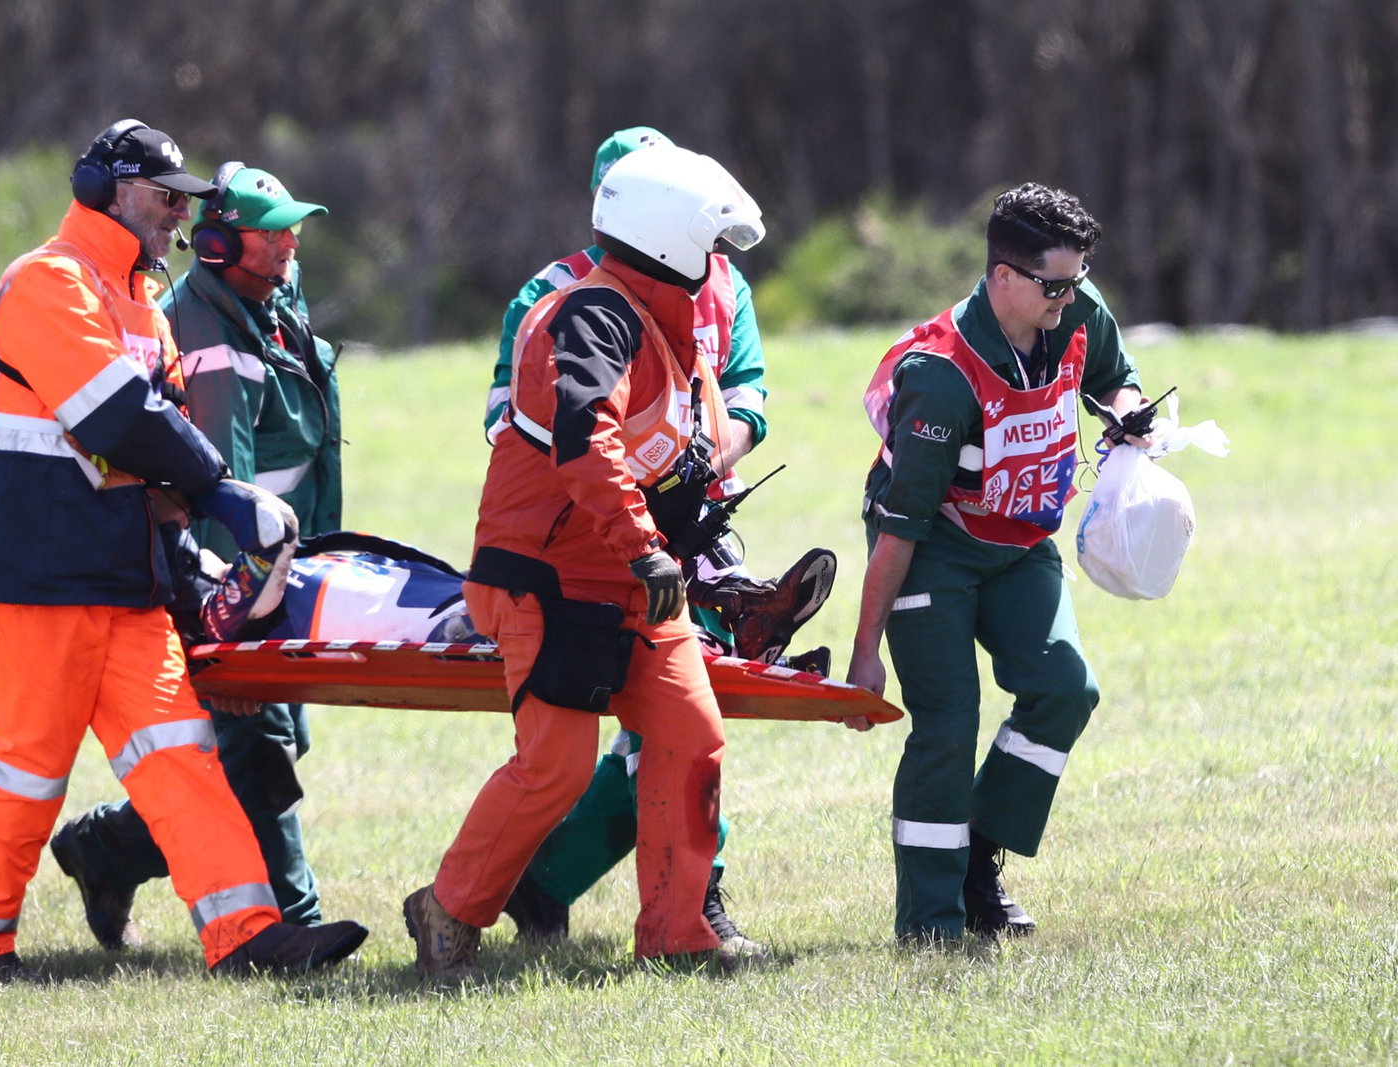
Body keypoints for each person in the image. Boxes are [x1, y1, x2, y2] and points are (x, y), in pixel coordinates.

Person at [0, 119, 366, 983]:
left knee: (183, 755)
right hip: (36, 575)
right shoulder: (45, 283)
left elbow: (155, 452)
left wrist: (189, 554)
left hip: (124, 579)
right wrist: (223, 492)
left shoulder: (142, 306)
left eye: (183, 200)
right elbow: (115, 418)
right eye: (164, 196)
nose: (178, 213)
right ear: (104, 190)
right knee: (29, 770)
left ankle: (245, 934)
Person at [403, 144, 769, 981]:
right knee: (557, 765)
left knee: (691, 733)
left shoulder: (671, 332)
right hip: (545, 577)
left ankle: (680, 934)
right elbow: (586, 439)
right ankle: (447, 911)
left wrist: (692, 543)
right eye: (711, 247)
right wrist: (645, 544)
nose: (718, 267)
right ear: (670, 239)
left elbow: (674, 461)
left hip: (636, 578)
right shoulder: (593, 315)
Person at [486, 128, 829, 952]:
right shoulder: (561, 294)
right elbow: (516, 423)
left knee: (685, 723)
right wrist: (629, 506)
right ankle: (663, 902)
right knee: (638, 736)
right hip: (587, 546)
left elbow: (746, 398)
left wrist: (693, 474)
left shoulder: (721, 279)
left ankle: (596, 892)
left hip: (684, 524)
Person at [47, 163, 352, 947]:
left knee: (259, 748)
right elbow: (223, 489)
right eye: (269, 228)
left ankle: (106, 847)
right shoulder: (207, 334)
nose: (288, 241)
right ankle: (294, 920)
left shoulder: (276, 301)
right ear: (215, 243)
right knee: (258, 744)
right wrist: (235, 631)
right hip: (231, 577)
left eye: (293, 225)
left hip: (288, 566)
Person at [843, 182, 1154, 946]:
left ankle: (980, 857)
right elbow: (899, 526)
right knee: (947, 723)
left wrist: (1129, 413)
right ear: (1004, 277)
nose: (1070, 296)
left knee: (1065, 687)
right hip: (933, 549)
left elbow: (1116, 376)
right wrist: (863, 652)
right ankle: (929, 923)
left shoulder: (1072, 306)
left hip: (1019, 545)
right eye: (1054, 283)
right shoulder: (943, 377)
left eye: (1077, 280)